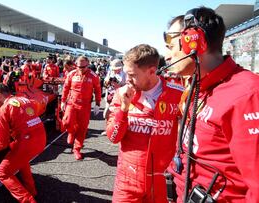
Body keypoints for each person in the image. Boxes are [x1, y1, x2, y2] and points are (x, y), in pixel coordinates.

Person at [164, 7, 259, 202]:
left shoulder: (247, 94)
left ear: (195, 41)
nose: (166, 56)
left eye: (171, 46)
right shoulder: (197, 85)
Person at [106, 44, 183, 202]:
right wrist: (124, 109)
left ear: (152, 71)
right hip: (127, 179)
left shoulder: (178, 94)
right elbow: (113, 137)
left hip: (160, 179)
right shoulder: (122, 94)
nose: (127, 80)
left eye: (132, 75)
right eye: (126, 74)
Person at [0, 83, 46, 202]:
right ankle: (31, 190)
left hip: (27, 142)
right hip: (41, 138)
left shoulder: (3, 109)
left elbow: (2, 143)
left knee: (3, 173)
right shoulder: (25, 100)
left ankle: (28, 201)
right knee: (22, 160)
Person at [61, 56, 101, 160]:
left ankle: (77, 149)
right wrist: (62, 101)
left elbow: (97, 90)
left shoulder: (94, 76)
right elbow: (65, 88)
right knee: (66, 122)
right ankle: (71, 131)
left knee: (83, 128)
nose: (81, 68)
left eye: (83, 67)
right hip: (72, 103)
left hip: (85, 106)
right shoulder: (72, 74)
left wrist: (97, 103)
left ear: (87, 65)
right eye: (79, 66)